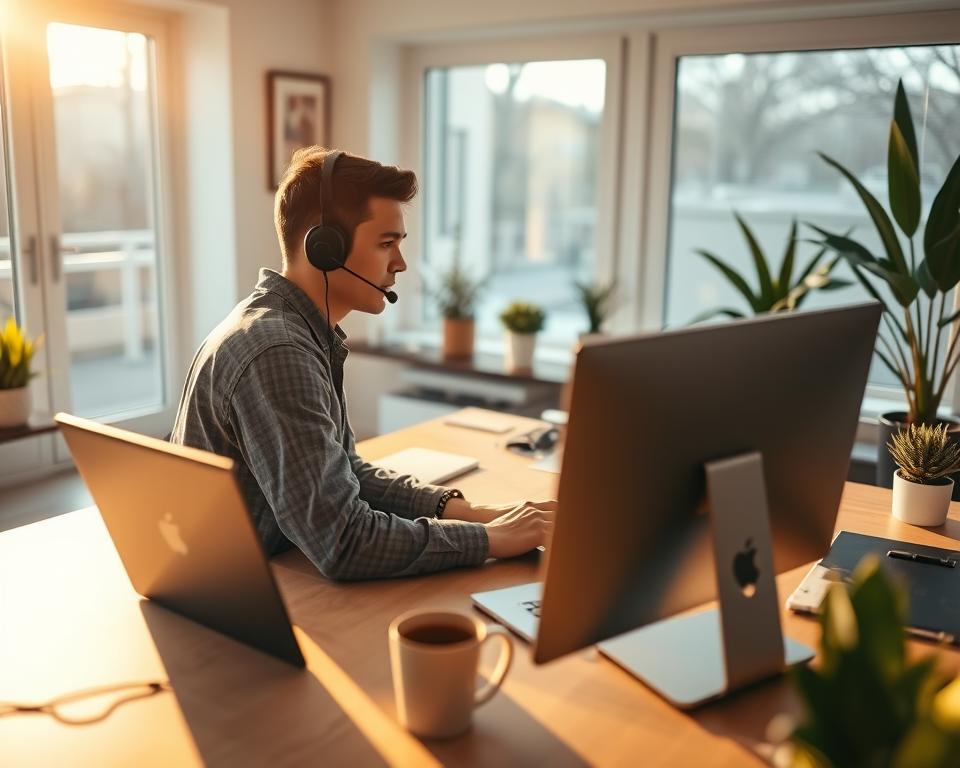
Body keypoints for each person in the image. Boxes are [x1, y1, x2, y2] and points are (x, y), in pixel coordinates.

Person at [171, 146, 554, 580]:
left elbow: (344, 470)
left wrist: (469, 511)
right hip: (241, 591)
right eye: (386, 243)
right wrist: (490, 541)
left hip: (276, 568)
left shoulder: (295, 329)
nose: (401, 263)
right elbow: (345, 541)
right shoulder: (277, 351)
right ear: (324, 248)